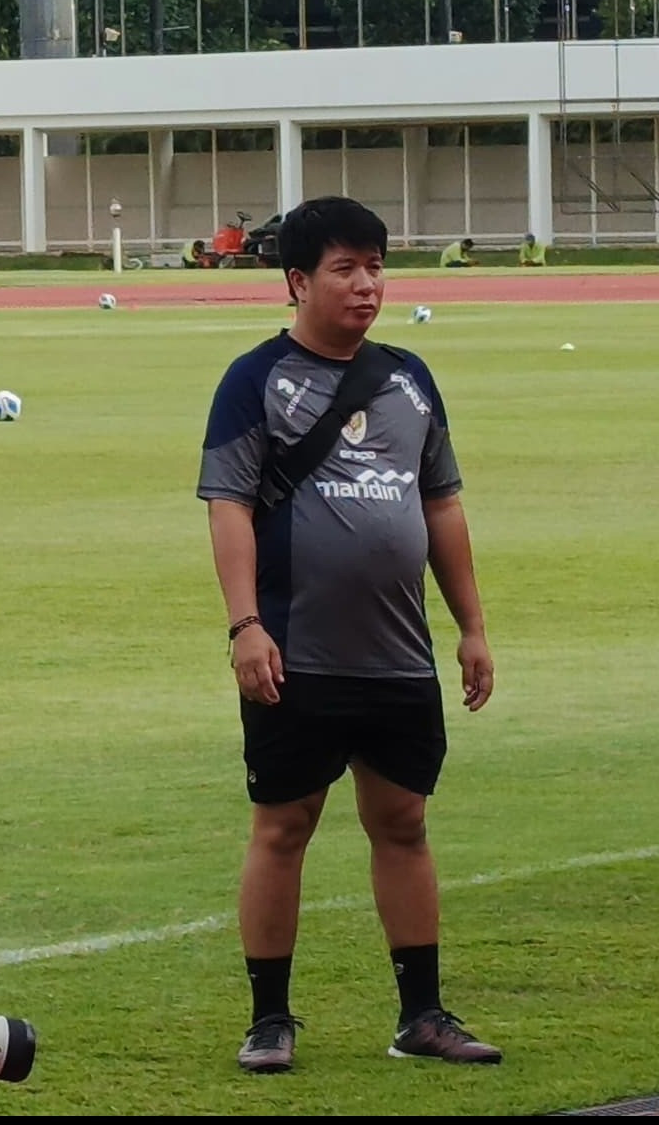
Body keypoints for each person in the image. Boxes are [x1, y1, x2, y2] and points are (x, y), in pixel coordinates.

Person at [196, 195, 502, 1073]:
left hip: (398, 652)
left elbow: (440, 503)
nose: (366, 285)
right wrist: (245, 624)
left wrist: (472, 626)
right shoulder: (254, 379)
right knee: (282, 826)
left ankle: (421, 1014)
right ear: (296, 280)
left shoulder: (409, 376)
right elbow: (227, 506)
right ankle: (268, 1018)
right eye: (344, 268)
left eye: (374, 266)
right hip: (296, 648)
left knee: (402, 821)